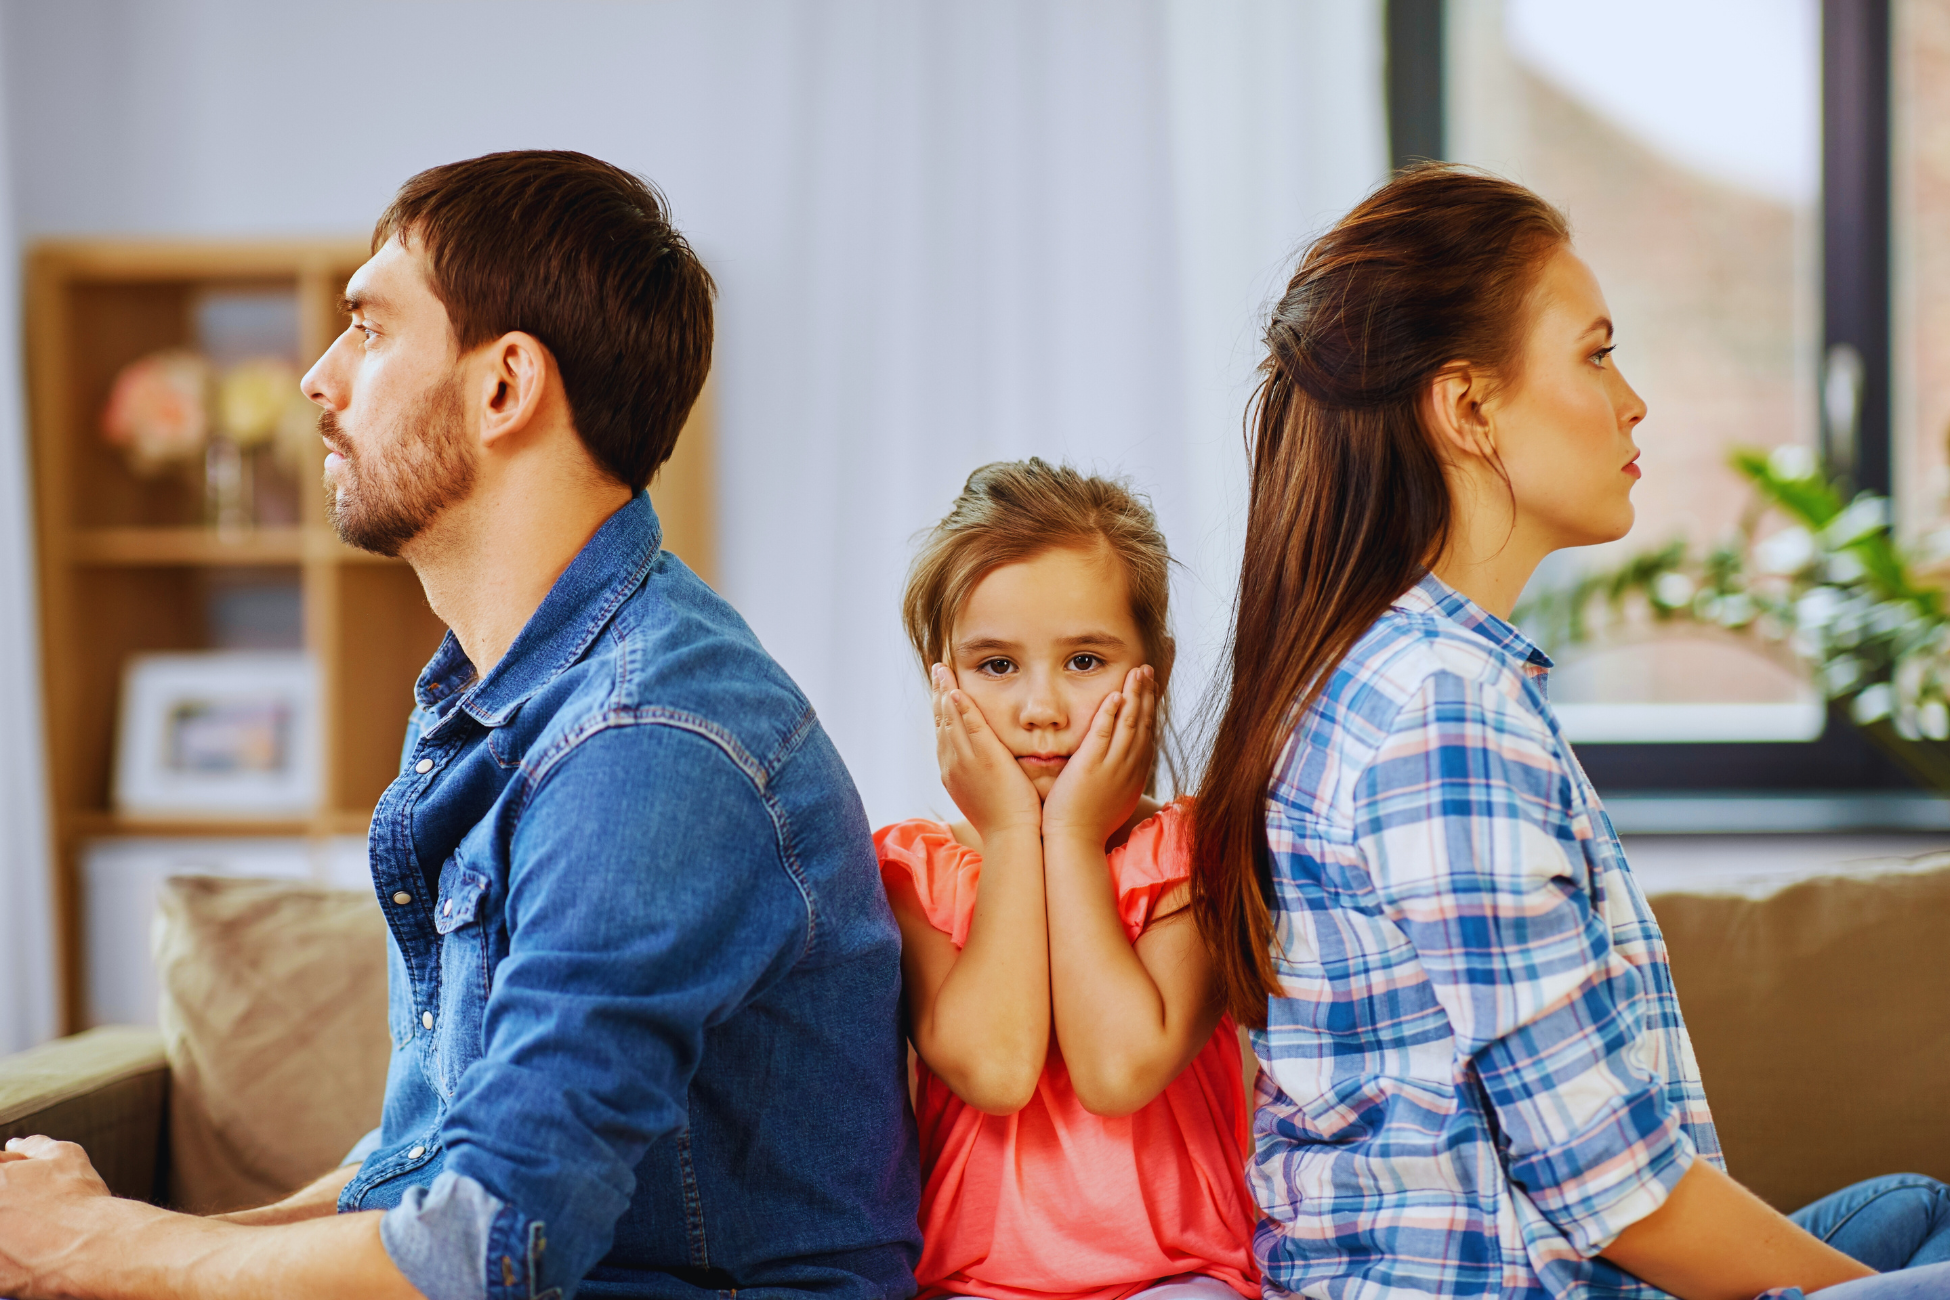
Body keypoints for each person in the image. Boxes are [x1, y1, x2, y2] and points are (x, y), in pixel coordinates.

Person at [0, 151, 921, 1300]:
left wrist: (103, 1248)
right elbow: (424, 1171)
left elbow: (490, 1242)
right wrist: (99, 1242)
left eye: (370, 330)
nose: (317, 380)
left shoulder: (645, 745)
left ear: (505, 388)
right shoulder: (494, 705)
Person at [1188, 163, 1950, 1300]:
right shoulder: (1438, 715)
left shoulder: (1394, 672)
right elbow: (1621, 1198)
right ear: (1468, 408)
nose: (1633, 399)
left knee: (1919, 1213)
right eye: (1596, 353)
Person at [875, 460, 1259, 1300]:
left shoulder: (1191, 855)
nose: (1040, 708)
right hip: (970, 1286)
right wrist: (1017, 834)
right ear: (940, 678)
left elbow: (1119, 1068)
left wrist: (1075, 839)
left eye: (1085, 660)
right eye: (997, 666)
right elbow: (998, 1066)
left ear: (1152, 667)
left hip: (1178, 1278)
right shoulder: (913, 873)